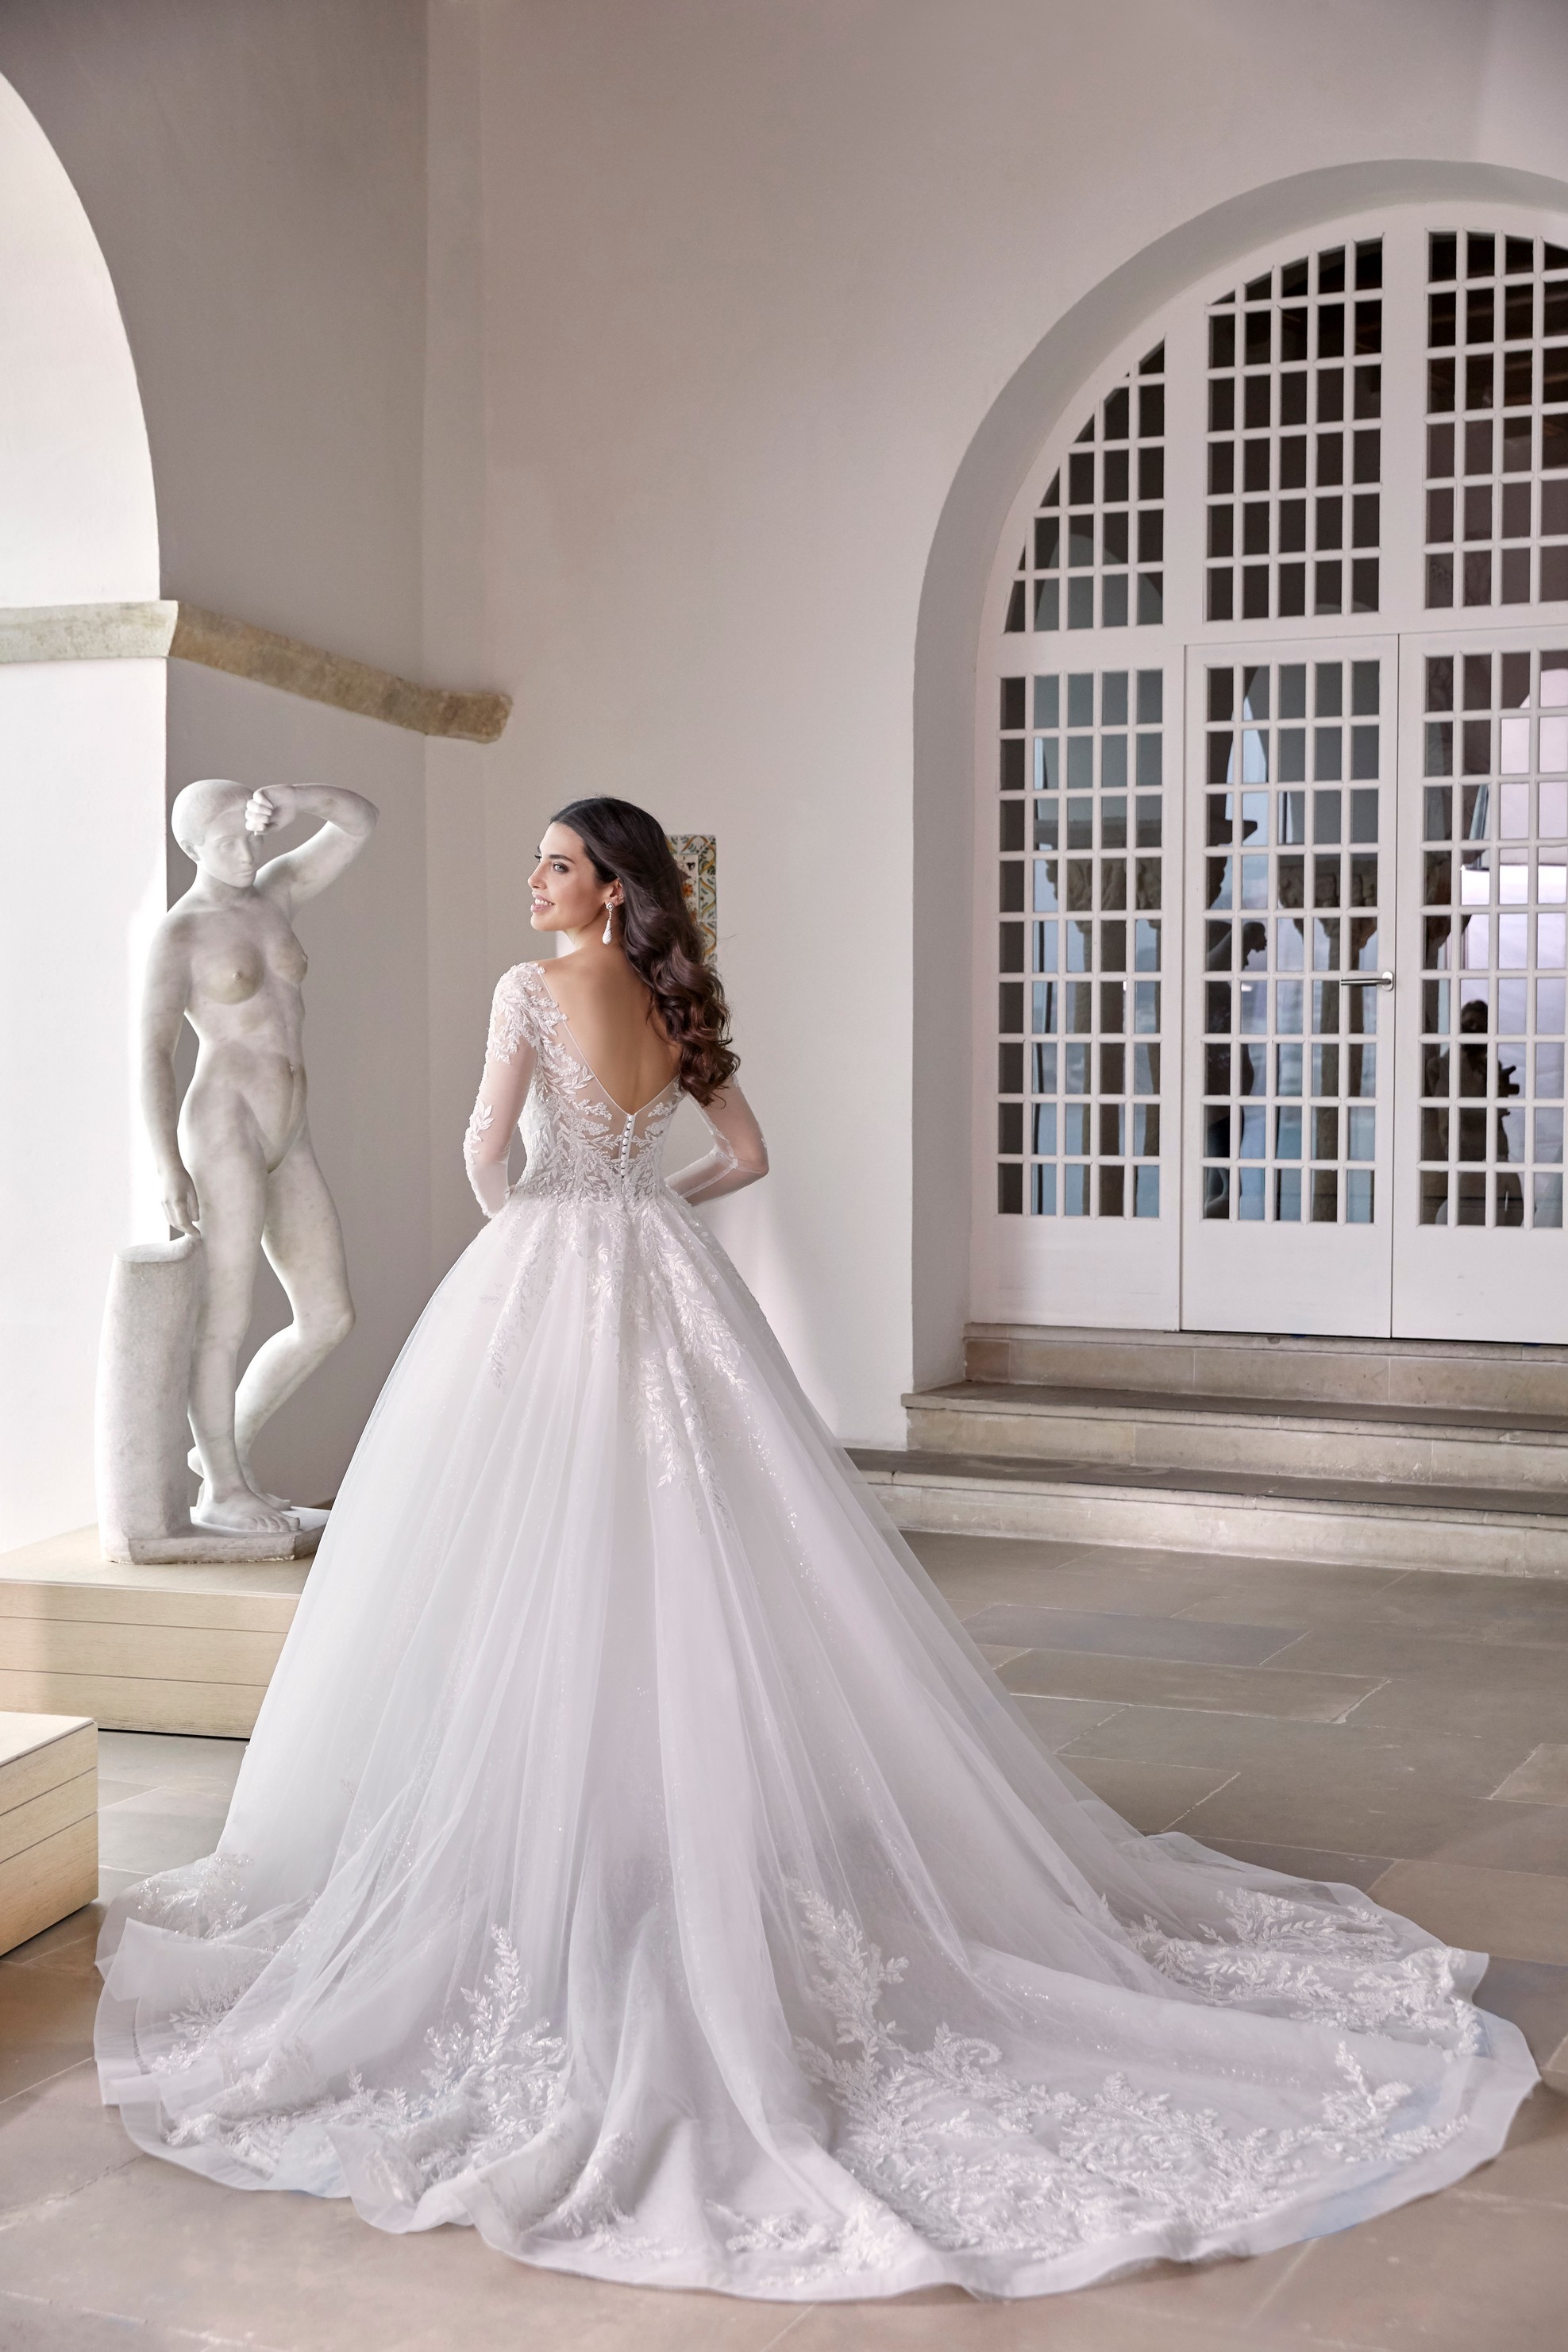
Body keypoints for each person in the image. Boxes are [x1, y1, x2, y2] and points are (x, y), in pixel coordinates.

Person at [97, 798, 1535, 2301]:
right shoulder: (666, 994)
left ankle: (573, 1826)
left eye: (559, 864)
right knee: (699, 1553)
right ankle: (675, 1811)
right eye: (536, 859)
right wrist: (644, 1203)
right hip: (659, 1267)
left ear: (609, 885)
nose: (535, 881)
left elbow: (480, 1156)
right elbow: (744, 1153)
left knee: (533, 1551)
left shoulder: (529, 990)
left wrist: (535, 1216)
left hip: (547, 1269)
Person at [142, 779, 378, 1533]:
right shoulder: (180, 933)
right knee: (228, 1314)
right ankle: (223, 1487)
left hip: (290, 1127)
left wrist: (294, 797)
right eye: (227, 845)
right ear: (192, 849)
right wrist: (166, 1167)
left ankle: (224, 1455)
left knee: (328, 1315)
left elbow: (360, 823)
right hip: (223, 1124)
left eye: (250, 836)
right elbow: (151, 1051)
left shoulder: (274, 894)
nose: (246, 854)